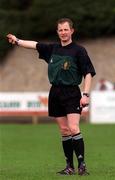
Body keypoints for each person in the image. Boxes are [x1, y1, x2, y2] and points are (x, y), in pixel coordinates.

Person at [7, 18, 96, 176]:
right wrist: (17, 41)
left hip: (72, 93)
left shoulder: (79, 50)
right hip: (55, 93)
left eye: (66, 29)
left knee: (74, 128)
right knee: (64, 130)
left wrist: (86, 94)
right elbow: (34, 45)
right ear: (57, 32)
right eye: (60, 30)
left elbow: (88, 73)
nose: (63, 33)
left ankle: (82, 165)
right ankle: (69, 167)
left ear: (72, 31)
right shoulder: (52, 49)